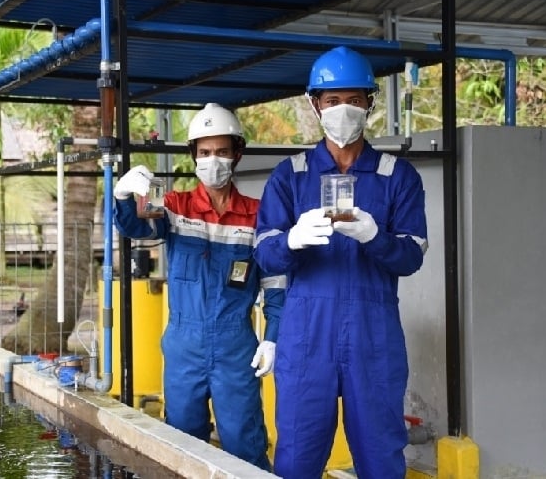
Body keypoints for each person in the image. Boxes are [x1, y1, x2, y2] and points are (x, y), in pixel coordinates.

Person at [254, 46, 428, 478]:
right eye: (333, 101)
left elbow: (411, 257)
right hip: (305, 334)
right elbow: (264, 252)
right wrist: (292, 240)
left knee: (381, 454)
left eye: (353, 100)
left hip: (374, 337)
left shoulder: (396, 176)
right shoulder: (290, 175)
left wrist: (375, 237)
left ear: (370, 102)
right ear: (316, 105)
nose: (343, 110)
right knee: (296, 452)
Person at [111, 103, 284, 471]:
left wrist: (273, 338)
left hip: (235, 346)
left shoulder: (260, 214)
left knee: (245, 444)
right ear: (193, 156)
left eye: (221, 151)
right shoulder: (175, 206)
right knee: (182, 444)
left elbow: (276, 285)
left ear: (238, 153)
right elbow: (138, 228)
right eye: (204, 153)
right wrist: (123, 196)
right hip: (183, 344)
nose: (213, 160)